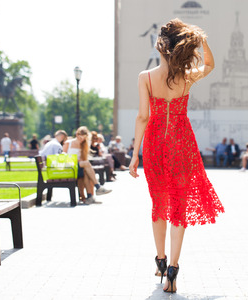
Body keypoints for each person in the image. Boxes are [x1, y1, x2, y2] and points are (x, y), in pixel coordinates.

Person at [129, 19, 224, 293]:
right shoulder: (187, 75)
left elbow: (143, 116)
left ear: (160, 46)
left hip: (156, 147)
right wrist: (201, 38)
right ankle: (173, 270)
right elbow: (209, 65)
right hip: (182, 145)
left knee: (159, 204)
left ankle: (160, 260)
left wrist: (135, 154)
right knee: (178, 209)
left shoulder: (145, 77)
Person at [63, 126, 112, 204]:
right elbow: (63, 158)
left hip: (80, 167)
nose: (82, 139)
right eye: (80, 137)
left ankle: (90, 197)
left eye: (84, 138)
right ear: (77, 134)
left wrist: (80, 161)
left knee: (86, 172)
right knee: (86, 164)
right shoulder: (68, 143)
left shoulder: (85, 144)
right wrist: (75, 159)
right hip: (70, 167)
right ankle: (98, 187)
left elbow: (84, 158)